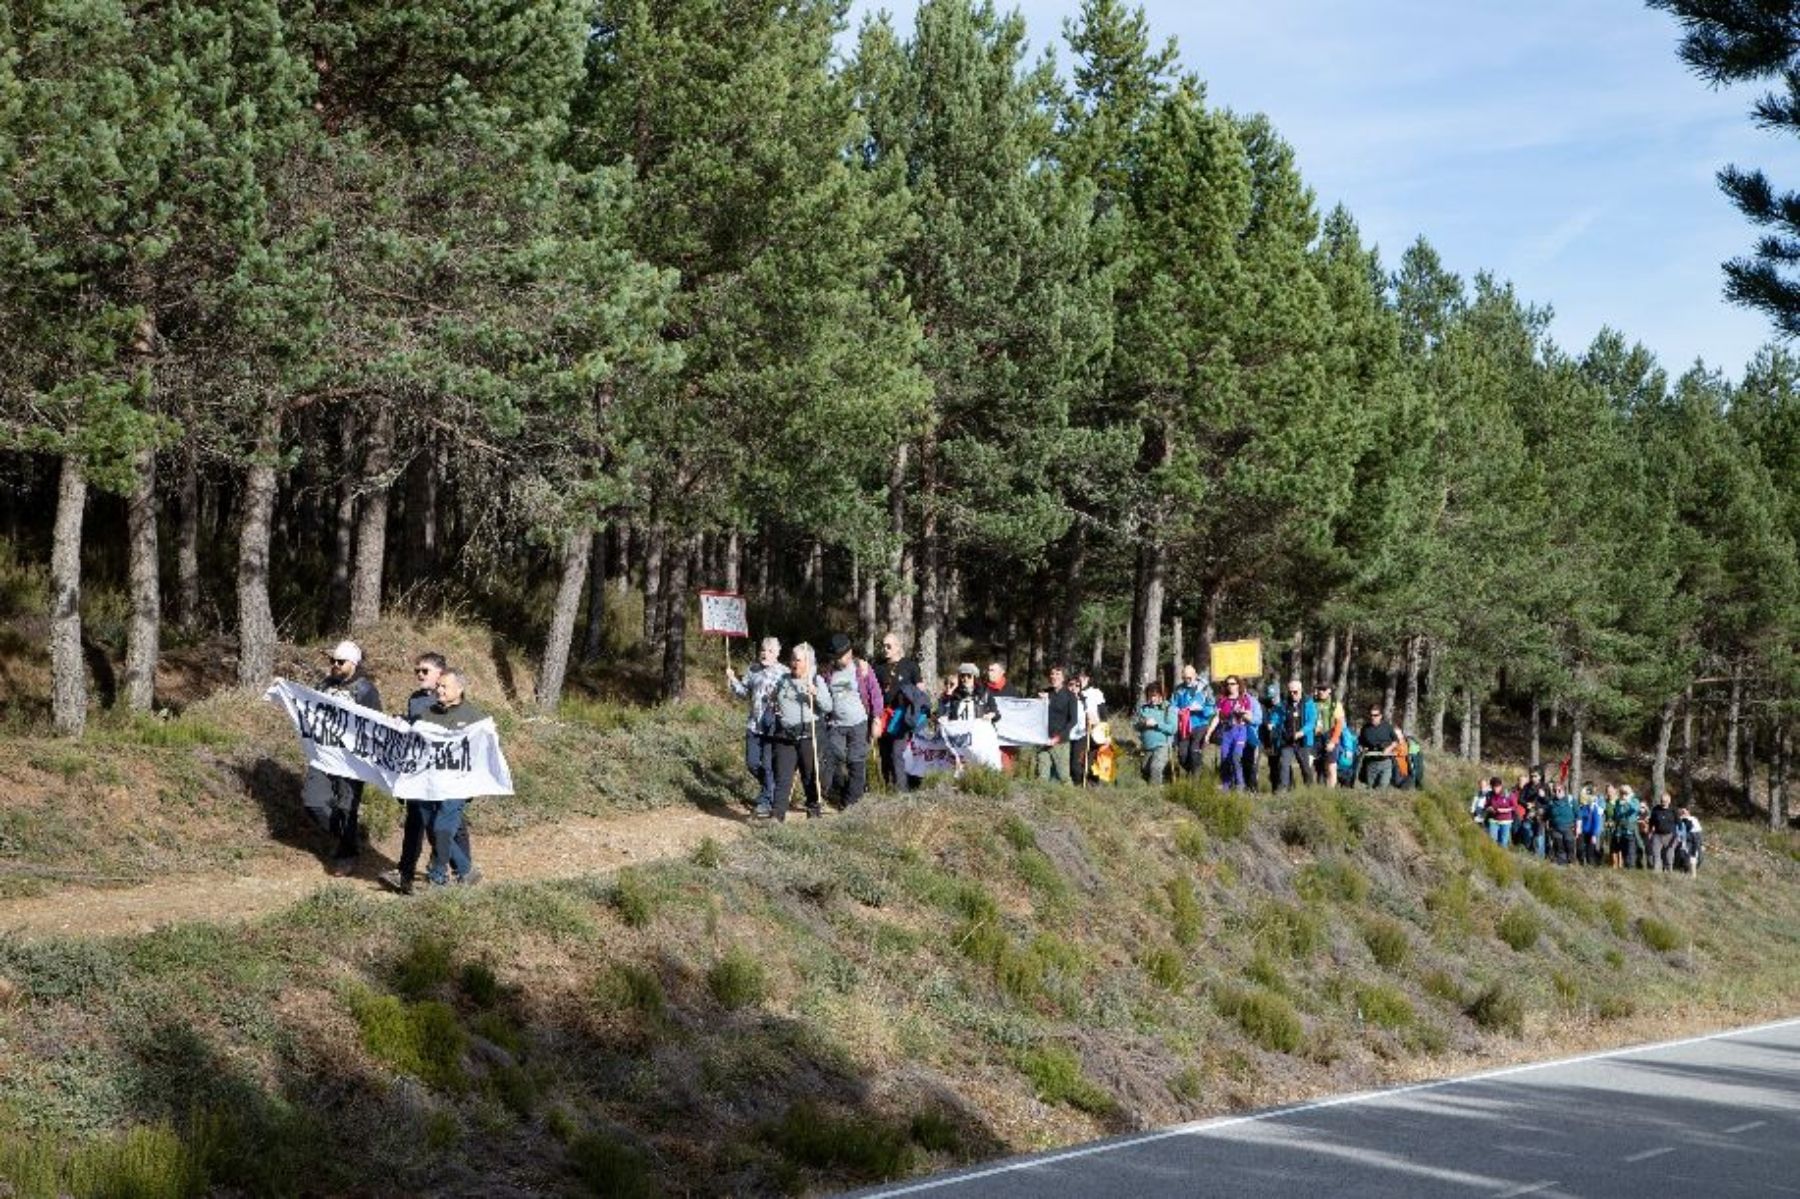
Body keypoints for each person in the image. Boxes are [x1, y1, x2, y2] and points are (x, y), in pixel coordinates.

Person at [379, 652, 467, 895]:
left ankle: (462, 870)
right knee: (415, 822)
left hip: (441, 775)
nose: (419, 675)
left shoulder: (450, 700)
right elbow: (415, 727)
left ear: (441, 673)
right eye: (416, 671)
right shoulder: (416, 699)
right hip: (417, 770)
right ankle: (405, 874)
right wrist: (400, 722)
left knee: (436, 825)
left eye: (424, 671)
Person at [301, 640, 382, 875]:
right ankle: (349, 837)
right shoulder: (323, 685)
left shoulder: (365, 690)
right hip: (323, 755)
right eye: (332, 661)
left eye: (340, 661)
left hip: (351, 760)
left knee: (347, 807)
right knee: (313, 802)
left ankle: (347, 854)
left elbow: (374, 724)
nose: (334, 665)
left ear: (353, 664)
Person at [411, 670, 486, 887]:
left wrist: (475, 784)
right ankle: (466, 870)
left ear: (459, 689)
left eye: (445, 686)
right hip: (428, 783)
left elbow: (482, 753)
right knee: (433, 827)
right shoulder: (427, 714)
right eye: (439, 686)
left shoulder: (475, 717)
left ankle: (438, 876)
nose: (439, 690)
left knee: (442, 828)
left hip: (457, 786)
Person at [768, 643, 830, 819]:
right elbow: (776, 699)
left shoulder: (816, 680)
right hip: (785, 735)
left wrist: (815, 693)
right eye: (792, 659)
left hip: (809, 735)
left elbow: (827, 706)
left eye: (798, 660)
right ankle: (777, 816)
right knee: (782, 776)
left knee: (811, 777)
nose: (793, 663)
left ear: (808, 662)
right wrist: (774, 701)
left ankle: (813, 813)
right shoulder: (783, 680)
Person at [726, 636, 787, 814]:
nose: (765, 654)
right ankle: (771, 787)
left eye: (769, 651)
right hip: (754, 724)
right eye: (762, 650)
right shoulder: (753, 670)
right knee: (752, 763)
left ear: (777, 653)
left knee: (767, 764)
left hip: (772, 727)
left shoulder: (784, 672)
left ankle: (766, 801)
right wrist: (732, 680)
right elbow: (744, 692)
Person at [818, 633, 871, 810]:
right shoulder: (828, 672)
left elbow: (875, 693)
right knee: (833, 757)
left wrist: (877, 717)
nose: (840, 659)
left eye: (842, 655)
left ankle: (851, 802)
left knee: (856, 760)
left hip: (858, 722)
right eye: (836, 656)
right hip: (836, 725)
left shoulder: (860, 668)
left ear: (849, 652)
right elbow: (823, 693)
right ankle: (837, 791)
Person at [874, 633, 922, 791]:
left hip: (901, 716)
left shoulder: (910, 666)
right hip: (883, 715)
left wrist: (915, 712)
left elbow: (920, 691)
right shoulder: (878, 667)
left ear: (898, 646)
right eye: (884, 646)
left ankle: (902, 793)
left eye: (889, 646)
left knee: (897, 753)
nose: (885, 649)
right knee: (885, 753)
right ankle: (887, 789)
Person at [1201, 676, 1255, 792]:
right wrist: (1208, 734)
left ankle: (1240, 785)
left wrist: (1241, 713)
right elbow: (1217, 718)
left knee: (1236, 758)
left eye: (1233, 683)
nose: (1230, 686)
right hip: (1226, 732)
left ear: (1238, 685)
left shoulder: (1244, 699)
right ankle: (1226, 785)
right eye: (1227, 684)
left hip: (1240, 731)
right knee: (1225, 759)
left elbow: (1250, 719)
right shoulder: (1222, 700)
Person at [1271, 680, 1317, 791]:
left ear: (1301, 691)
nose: (1292, 694)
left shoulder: (1309, 703)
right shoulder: (1283, 704)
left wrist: (1302, 732)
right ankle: (1283, 790)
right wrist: (1272, 723)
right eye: (1290, 692)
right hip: (1286, 740)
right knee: (1284, 764)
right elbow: (1276, 716)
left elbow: (1312, 722)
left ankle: (1310, 790)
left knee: (1306, 767)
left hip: (1303, 741)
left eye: (1295, 692)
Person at [1038, 664, 1079, 784]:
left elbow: (1073, 721)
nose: (1054, 677)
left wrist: (1058, 738)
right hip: (1043, 739)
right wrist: (1039, 701)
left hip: (1060, 742)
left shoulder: (1070, 696)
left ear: (1063, 678)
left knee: (1064, 777)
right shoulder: (1045, 693)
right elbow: (1034, 713)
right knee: (1042, 776)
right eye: (1052, 674)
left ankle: (1072, 801)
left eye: (1057, 674)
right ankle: (1041, 800)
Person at [1171, 666, 1214, 779]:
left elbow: (1211, 707)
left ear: (1195, 676)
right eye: (1184, 678)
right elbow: (1173, 705)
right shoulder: (1178, 689)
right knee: (1182, 755)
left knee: (1194, 753)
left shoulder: (1205, 689)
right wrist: (1177, 711)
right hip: (1183, 726)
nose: (1187, 680)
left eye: (1189, 678)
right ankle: (1196, 770)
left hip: (1200, 725)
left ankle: (1196, 780)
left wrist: (1201, 709)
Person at [1134, 682, 1177, 785]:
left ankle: (1155, 794)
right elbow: (1135, 725)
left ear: (1162, 695)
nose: (1152, 699)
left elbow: (1172, 729)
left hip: (1162, 746)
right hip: (1147, 746)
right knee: (1145, 770)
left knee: (1155, 768)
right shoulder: (1144, 708)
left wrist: (1157, 724)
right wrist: (1143, 723)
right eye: (1150, 696)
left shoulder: (1168, 709)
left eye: (1155, 696)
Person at [1069, 665, 1106, 785]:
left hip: (1095, 730)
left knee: (1092, 760)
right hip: (1078, 731)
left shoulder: (1096, 693)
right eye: (1079, 677)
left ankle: (1092, 784)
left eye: (1083, 677)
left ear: (1088, 678)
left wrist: (1104, 732)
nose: (1081, 679)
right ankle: (1079, 784)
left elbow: (1103, 714)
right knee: (1077, 761)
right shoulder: (1073, 691)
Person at [1356, 704, 1402, 789]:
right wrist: (1361, 748)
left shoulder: (1387, 727)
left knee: (1382, 787)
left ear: (1380, 716)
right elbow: (1360, 742)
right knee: (1370, 788)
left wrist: (1389, 748)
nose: (1373, 717)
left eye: (1375, 715)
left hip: (1386, 762)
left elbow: (1396, 741)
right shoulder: (1365, 728)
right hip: (1371, 763)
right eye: (1371, 715)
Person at [1311, 683, 1346, 788]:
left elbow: (1339, 724)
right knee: (1311, 765)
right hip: (1314, 737)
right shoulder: (1312, 702)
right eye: (1319, 689)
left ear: (1329, 690)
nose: (1321, 691)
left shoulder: (1335, 704)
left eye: (1324, 689)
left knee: (1331, 766)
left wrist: (1333, 741)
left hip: (1329, 736)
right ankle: (1312, 791)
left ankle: (1330, 793)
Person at [1607, 784, 1642, 869]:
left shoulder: (1634, 800)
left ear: (1629, 793)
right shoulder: (1618, 802)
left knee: (1631, 851)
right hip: (1620, 831)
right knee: (1624, 851)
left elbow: (1636, 809)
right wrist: (1611, 820)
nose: (1623, 795)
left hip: (1631, 830)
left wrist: (1628, 801)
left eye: (1625, 793)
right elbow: (1616, 814)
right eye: (1622, 793)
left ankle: (1631, 867)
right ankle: (1626, 867)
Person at [1545, 783, 1579, 865]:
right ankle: (1562, 863)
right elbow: (1548, 815)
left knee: (1569, 845)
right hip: (1556, 828)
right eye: (1555, 790)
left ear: (1564, 791)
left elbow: (1578, 816)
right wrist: (1548, 827)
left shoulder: (1571, 800)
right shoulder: (1551, 802)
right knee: (1559, 845)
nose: (1557, 792)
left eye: (1559, 790)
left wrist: (1578, 828)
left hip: (1569, 828)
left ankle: (1572, 863)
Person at [1646, 792, 1680, 873]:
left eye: (1665, 801)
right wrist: (1650, 832)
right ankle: (1657, 872)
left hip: (1671, 835)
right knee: (1655, 853)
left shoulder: (1673, 810)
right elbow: (1651, 822)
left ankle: (1669, 871)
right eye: (1662, 801)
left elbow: (1679, 823)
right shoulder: (1655, 809)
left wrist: (1679, 835)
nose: (1663, 803)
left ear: (1669, 801)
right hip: (1657, 835)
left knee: (1669, 855)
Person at [1485, 780, 1520, 846]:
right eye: (1494, 787)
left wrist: (1506, 810)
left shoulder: (1509, 794)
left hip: (1505, 821)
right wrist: (1489, 808)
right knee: (1491, 840)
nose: (1496, 789)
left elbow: (1515, 807)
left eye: (1497, 787)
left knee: (1503, 842)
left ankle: (1502, 854)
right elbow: (1486, 805)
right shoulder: (1489, 794)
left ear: (1501, 786)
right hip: (1493, 820)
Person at [1577, 785, 1606, 866]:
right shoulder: (1581, 807)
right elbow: (1579, 818)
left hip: (1591, 832)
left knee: (1591, 850)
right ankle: (1581, 862)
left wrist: (1594, 835)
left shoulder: (1594, 808)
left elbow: (1596, 822)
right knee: (1580, 848)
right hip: (1582, 831)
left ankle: (1592, 864)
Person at [1675, 807, 1704, 875]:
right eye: (1682, 811)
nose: (1683, 813)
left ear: (1688, 812)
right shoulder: (1680, 819)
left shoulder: (1693, 818)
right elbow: (1679, 830)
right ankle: (1685, 869)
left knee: (1698, 855)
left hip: (1696, 837)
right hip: (1686, 837)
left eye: (1685, 811)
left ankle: (1693, 869)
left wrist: (1701, 843)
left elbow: (1699, 832)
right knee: (1685, 853)